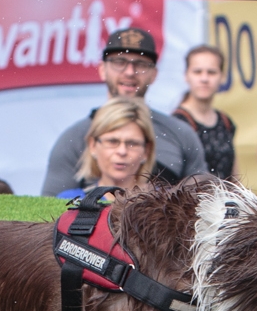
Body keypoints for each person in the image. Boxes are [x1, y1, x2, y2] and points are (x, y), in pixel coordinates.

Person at [41, 28, 206, 196]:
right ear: (102, 69)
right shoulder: (74, 138)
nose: (129, 72)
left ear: (154, 74)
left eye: (141, 64)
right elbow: (51, 212)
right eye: (119, 62)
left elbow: (202, 203)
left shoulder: (181, 134)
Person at [172, 44, 236, 180]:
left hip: (226, 199)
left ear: (222, 76)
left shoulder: (225, 121)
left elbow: (234, 176)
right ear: (186, 75)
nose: (204, 79)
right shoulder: (176, 122)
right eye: (197, 72)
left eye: (211, 72)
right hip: (190, 200)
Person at [78, 97, 156, 195]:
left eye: (132, 143)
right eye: (112, 141)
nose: (122, 151)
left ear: (146, 151)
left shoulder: (167, 203)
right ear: (93, 145)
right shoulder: (70, 201)